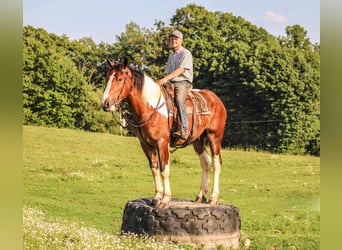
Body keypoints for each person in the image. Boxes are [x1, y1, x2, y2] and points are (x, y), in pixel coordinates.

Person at [158, 30, 193, 140]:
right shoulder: (171, 56)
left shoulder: (185, 53)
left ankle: (184, 128)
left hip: (183, 82)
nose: (174, 40)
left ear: (181, 40)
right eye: (172, 39)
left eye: (176, 39)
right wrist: (162, 81)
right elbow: (168, 72)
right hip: (172, 82)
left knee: (178, 100)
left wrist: (165, 79)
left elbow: (180, 70)